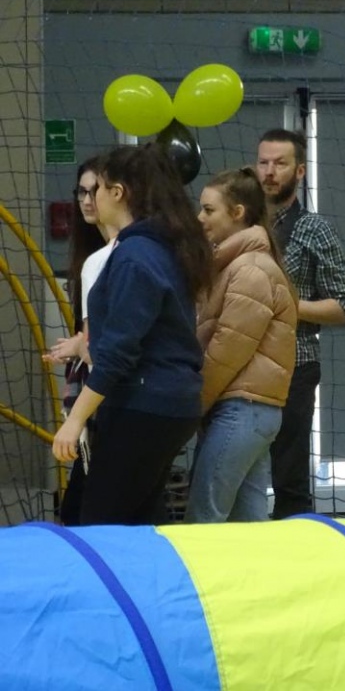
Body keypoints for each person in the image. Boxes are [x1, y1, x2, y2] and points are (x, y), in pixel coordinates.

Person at [50, 144, 214, 526]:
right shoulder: (160, 246)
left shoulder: (135, 256)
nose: (91, 198)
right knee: (140, 520)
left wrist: (75, 420)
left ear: (117, 192)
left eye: (97, 189)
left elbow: (118, 354)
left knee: (99, 524)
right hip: (167, 404)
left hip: (145, 404)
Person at [256, 128, 345, 519]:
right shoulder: (237, 224)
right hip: (238, 365)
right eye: (263, 163)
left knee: (289, 477)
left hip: (294, 364)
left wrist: (291, 307)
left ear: (300, 171)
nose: (269, 172)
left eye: (280, 164)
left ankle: (296, 544)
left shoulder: (315, 229)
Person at [185, 167, 297, 523]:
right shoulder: (235, 266)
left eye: (209, 210)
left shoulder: (250, 269)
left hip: (242, 410)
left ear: (237, 213)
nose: (200, 218)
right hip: (250, 411)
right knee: (248, 528)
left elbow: (228, 350)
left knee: (203, 521)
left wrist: (194, 406)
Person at [43, 156, 119, 525]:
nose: (88, 200)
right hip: (99, 390)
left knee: (87, 508)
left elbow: (105, 347)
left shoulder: (114, 257)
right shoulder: (91, 255)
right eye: (81, 192)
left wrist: (80, 347)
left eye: (95, 191)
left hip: (114, 396)